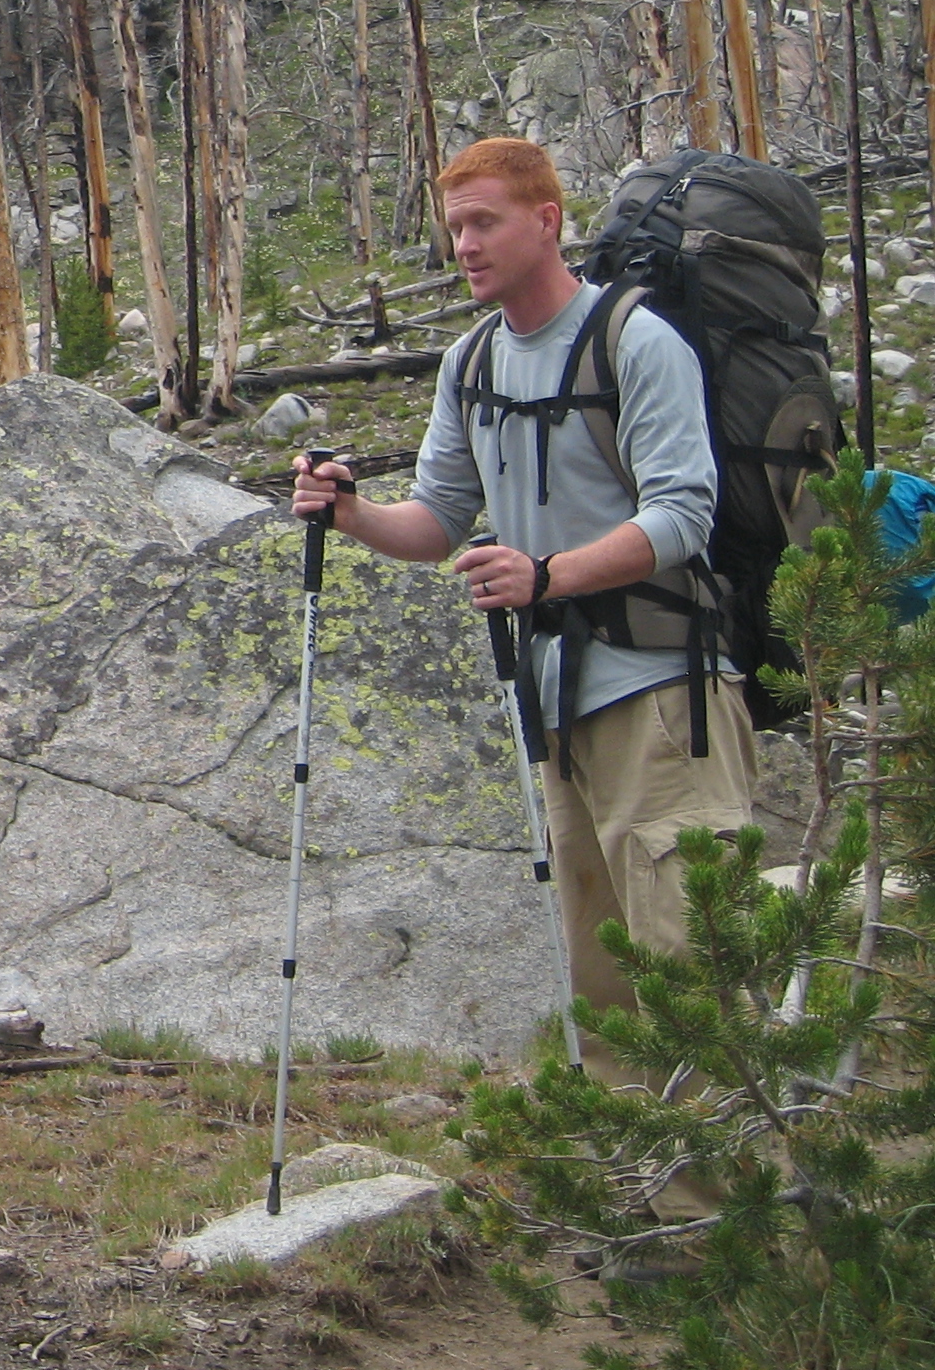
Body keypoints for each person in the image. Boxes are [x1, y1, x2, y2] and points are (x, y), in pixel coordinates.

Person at [290, 140, 749, 1132]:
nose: (464, 245)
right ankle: (646, 1216)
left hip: (667, 695)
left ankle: (743, 1238)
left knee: (692, 964)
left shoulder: (637, 342)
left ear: (546, 220)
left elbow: (683, 517)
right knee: (597, 973)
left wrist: (547, 575)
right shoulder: (472, 362)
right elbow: (439, 520)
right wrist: (352, 516)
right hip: (554, 706)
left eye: (484, 222)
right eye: (454, 227)